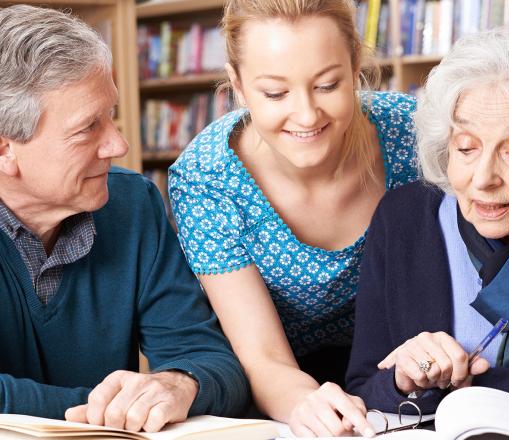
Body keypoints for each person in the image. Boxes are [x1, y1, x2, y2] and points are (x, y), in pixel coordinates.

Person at [168, 0, 417, 436]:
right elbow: (261, 356)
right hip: (277, 394)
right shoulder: (206, 179)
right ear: (238, 87)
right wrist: (307, 403)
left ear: (356, 64)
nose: (306, 115)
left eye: (327, 85)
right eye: (275, 93)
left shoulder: (414, 133)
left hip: (403, 377)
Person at [0, 4, 249, 432]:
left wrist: (179, 383)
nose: (119, 144)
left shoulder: (133, 203)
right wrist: (115, 409)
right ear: (5, 149)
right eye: (87, 128)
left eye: (110, 115)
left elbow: (212, 361)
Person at [346, 27, 509, 420]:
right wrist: (404, 379)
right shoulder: (403, 220)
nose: (483, 179)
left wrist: (473, 388)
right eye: (466, 148)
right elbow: (364, 388)